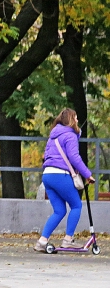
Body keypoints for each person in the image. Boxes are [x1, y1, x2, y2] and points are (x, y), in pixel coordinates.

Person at [33, 108, 95, 252]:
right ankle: (68, 240)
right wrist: (87, 174)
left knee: (59, 211)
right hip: (60, 175)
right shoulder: (70, 135)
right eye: (76, 118)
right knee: (76, 205)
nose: (78, 121)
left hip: (47, 175)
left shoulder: (53, 136)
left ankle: (42, 242)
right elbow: (74, 157)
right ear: (72, 120)